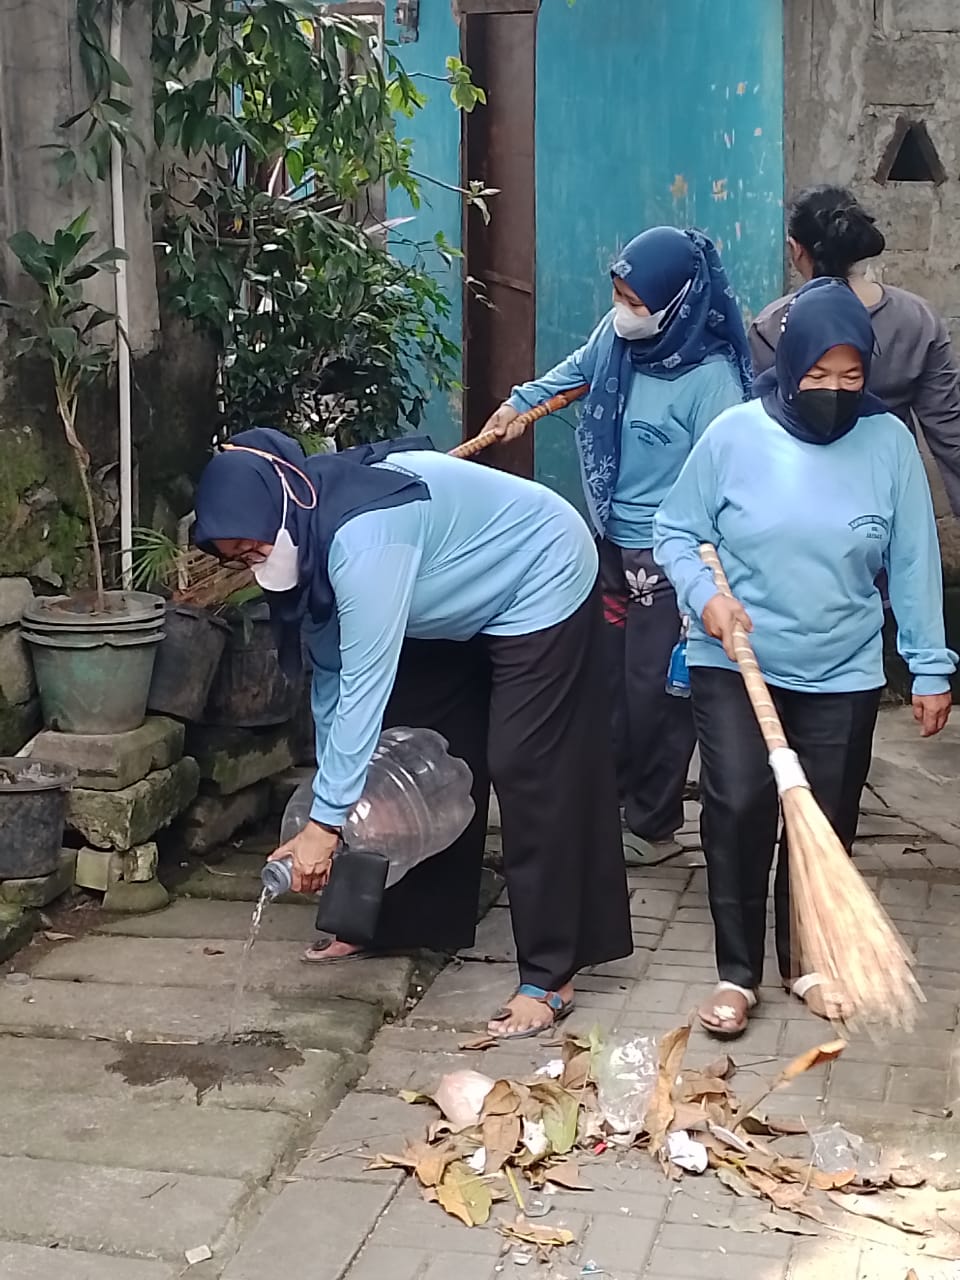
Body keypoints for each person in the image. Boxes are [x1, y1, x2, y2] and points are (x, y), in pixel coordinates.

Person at [193, 427, 632, 1040]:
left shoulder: (363, 538)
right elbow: (332, 676)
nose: (255, 562)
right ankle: (402, 922)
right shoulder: (307, 534)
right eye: (239, 558)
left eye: (257, 546)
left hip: (539, 571)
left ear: (279, 507)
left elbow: (366, 681)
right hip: (447, 597)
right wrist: (333, 798)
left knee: (527, 764)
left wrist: (323, 829)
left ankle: (552, 970)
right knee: (414, 743)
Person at [653, 278, 956, 1038]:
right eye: (819, 375)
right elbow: (675, 529)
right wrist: (706, 596)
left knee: (826, 815)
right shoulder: (735, 435)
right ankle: (735, 974)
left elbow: (914, 561)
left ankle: (808, 962)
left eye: (852, 378)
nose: (833, 391)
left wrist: (929, 665)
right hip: (735, 652)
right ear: (788, 366)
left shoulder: (887, 443)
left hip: (843, 664)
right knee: (740, 803)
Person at [483, 227, 752, 861]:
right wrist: (518, 405)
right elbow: (574, 373)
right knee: (604, 682)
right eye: (618, 293)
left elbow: (727, 483)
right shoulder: (618, 340)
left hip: (673, 559)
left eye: (636, 299)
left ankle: (654, 822)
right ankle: (608, 804)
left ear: (678, 300)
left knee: (658, 693)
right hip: (608, 542)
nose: (622, 311)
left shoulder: (712, 382)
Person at [750, 185, 960, 516]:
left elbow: (760, 431)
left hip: (801, 501)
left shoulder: (774, 325)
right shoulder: (918, 318)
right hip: (889, 495)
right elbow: (950, 434)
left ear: (795, 249)